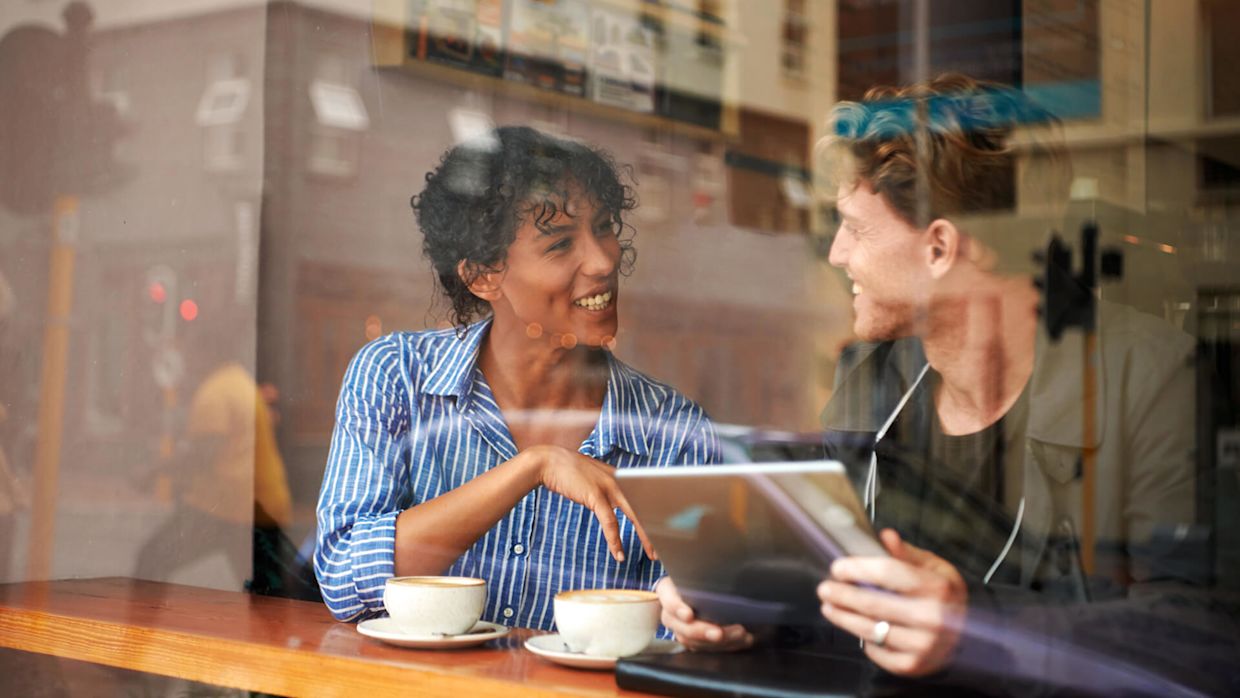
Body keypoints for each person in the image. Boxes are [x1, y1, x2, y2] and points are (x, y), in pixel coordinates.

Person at [807, 74, 1238, 694]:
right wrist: (742, 608)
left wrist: (975, 629)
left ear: (940, 248)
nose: (837, 254)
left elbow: (1200, 635)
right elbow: (829, 588)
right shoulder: (868, 382)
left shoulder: (1155, 377)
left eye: (855, 228)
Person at [314, 126, 720, 630]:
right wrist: (533, 467)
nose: (603, 260)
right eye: (560, 244)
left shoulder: (675, 435)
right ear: (483, 276)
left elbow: (681, 631)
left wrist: (699, 621)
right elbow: (344, 578)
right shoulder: (396, 376)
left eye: (604, 227)